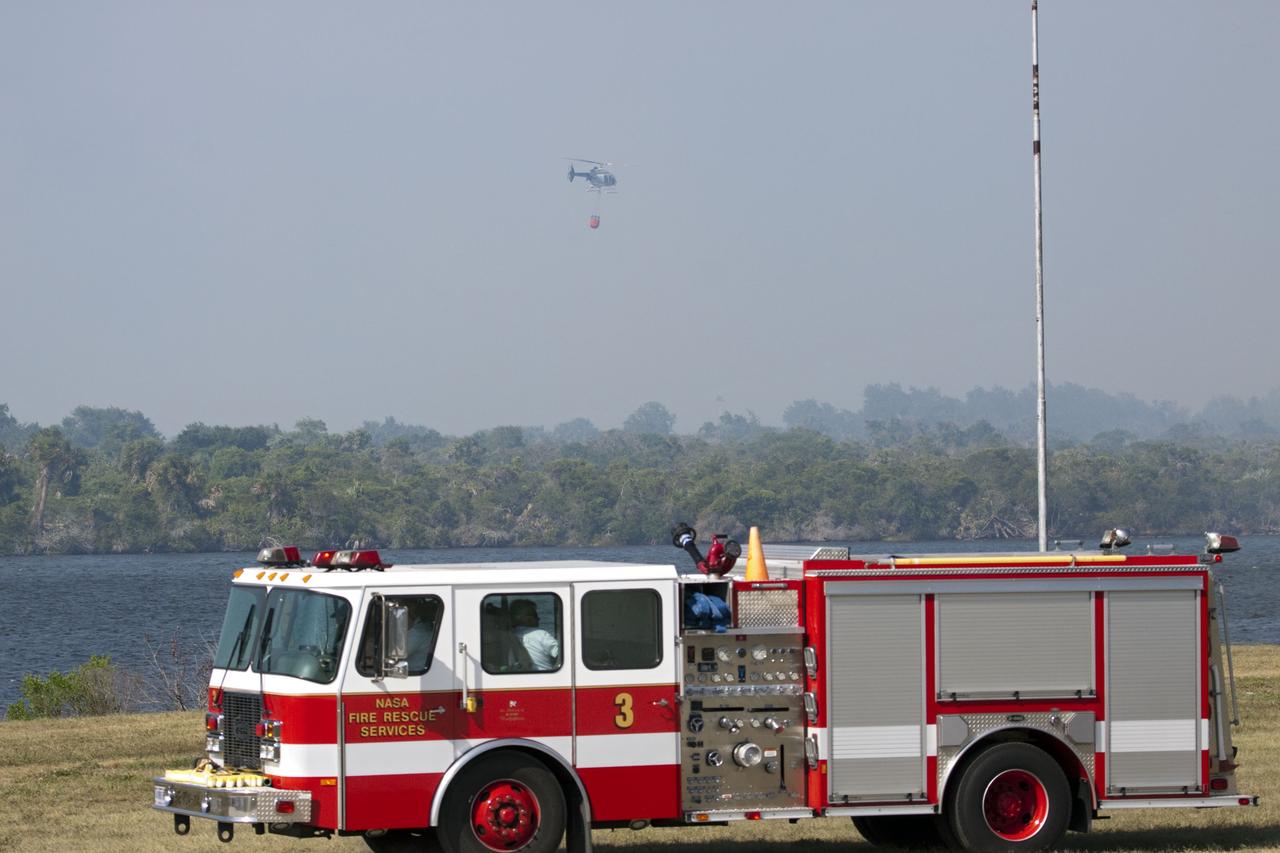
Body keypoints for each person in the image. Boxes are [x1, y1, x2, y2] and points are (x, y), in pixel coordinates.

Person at [510, 599, 560, 671]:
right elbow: (561, 654)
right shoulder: (541, 635)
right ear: (528, 619)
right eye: (535, 615)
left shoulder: (507, 636)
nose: (539, 619)